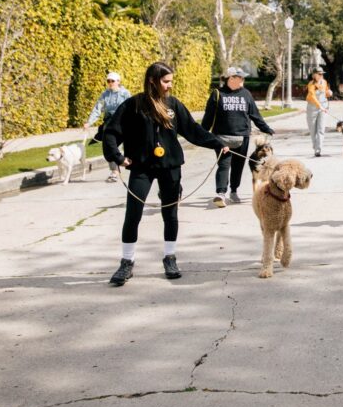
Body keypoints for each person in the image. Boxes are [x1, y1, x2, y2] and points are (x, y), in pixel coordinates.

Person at [102, 61, 229, 286]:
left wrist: (217, 143)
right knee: (133, 214)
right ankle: (126, 262)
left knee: (170, 214)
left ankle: (170, 258)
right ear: (153, 80)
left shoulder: (174, 105)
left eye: (171, 81)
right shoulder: (134, 105)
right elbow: (111, 132)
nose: (170, 86)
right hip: (141, 167)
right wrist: (118, 157)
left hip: (170, 166)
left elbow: (193, 130)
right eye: (166, 81)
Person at [202, 66, 274, 207]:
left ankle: (234, 191)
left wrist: (266, 128)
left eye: (243, 77)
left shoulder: (246, 94)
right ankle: (221, 194)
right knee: (223, 165)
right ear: (231, 78)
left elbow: (255, 115)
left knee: (238, 166)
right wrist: (202, 134)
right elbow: (208, 117)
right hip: (222, 138)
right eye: (240, 77)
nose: (243, 79)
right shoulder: (217, 94)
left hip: (242, 137)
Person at [84, 71, 132, 182]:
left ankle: (131, 164)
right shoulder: (104, 95)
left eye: (112, 81)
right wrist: (89, 122)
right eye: (108, 81)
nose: (110, 83)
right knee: (110, 146)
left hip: (123, 122)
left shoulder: (125, 93)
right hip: (109, 123)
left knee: (129, 144)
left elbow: (131, 108)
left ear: (118, 81)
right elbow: (97, 109)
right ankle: (114, 172)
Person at [305, 68, 332, 157]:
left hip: (323, 107)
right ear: (314, 75)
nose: (321, 76)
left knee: (321, 129)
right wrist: (319, 106)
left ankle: (318, 149)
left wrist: (329, 93)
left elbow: (326, 93)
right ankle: (315, 146)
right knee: (313, 130)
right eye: (319, 74)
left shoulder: (324, 82)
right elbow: (312, 96)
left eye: (322, 74)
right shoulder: (311, 84)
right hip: (312, 107)